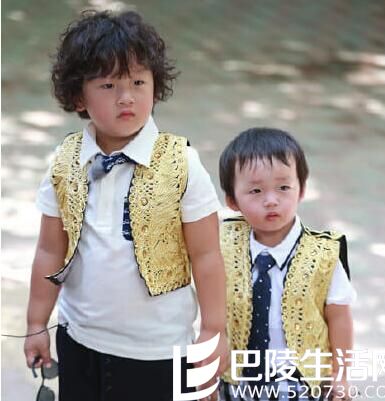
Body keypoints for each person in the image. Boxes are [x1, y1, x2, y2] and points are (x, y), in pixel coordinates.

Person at [23, 9, 227, 401]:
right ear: (78, 96)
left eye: (137, 81)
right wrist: (36, 323)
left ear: (155, 85)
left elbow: (206, 256)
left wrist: (213, 331)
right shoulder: (65, 162)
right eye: (108, 85)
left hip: (158, 353)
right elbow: (50, 250)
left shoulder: (181, 163)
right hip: (79, 341)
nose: (127, 96)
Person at [217, 128, 356, 401]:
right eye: (255, 190)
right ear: (232, 201)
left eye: (283, 187)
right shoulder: (222, 245)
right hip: (237, 382)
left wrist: (340, 375)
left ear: (301, 189)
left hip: (302, 385)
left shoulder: (324, 254)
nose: (271, 200)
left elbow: (339, 318)